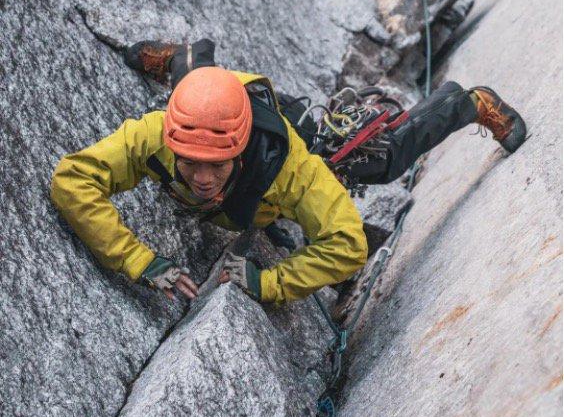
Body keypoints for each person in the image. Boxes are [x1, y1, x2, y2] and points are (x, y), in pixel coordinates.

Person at [51, 39, 526, 305]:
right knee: (198, 89)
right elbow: (72, 179)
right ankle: (184, 61)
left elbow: (348, 244)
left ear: (238, 152)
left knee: (382, 160)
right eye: (188, 162)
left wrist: (269, 283)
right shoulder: (155, 133)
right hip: (209, 100)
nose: (200, 177)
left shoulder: (291, 170)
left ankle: (466, 103)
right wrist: (137, 259)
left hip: (280, 127)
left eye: (215, 166)